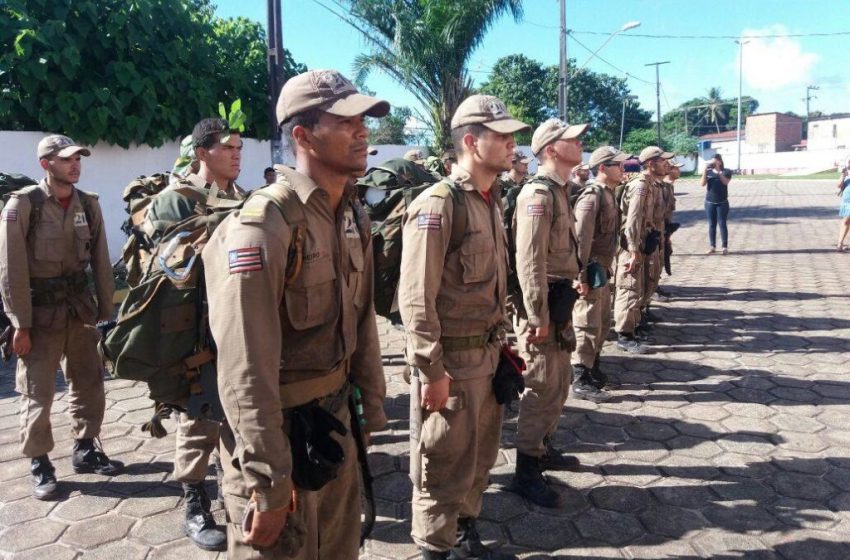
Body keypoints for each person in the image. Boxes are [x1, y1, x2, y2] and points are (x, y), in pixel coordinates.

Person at [203, 69, 388, 560]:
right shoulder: (264, 224)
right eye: (347, 121)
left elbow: (362, 318)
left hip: (334, 426)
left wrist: (370, 406)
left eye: (364, 120)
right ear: (303, 136)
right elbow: (244, 368)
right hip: (277, 442)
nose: (363, 130)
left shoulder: (350, 213)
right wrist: (267, 480)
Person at [399, 94, 526, 560]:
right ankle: (434, 548)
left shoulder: (488, 202)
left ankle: (464, 531)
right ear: (471, 142)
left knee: (480, 457)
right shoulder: (439, 204)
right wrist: (430, 370)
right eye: (503, 136)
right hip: (450, 363)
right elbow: (415, 297)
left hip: (487, 357)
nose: (513, 143)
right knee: (442, 464)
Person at [147, 118, 250, 551]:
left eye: (239, 147)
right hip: (195, 327)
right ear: (203, 152)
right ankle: (193, 498)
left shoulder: (243, 198)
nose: (236, 154)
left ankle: (236, 491)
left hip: (239, 322)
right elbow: (174, 264)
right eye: (228, 147)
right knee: (198, 414)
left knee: (240, 409)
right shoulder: (175, 200)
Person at [0, 134, 122, 501]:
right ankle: (40, 462)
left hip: (79, 310)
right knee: (38, 391)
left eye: (78, 159)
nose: (76, 164)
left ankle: (85, 448)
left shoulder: (89, 203)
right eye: (67, 159)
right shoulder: (23, 206)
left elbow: (101, 259)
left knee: (89, 381)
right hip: (38, 315)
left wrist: (106, 309)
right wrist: (19, 324)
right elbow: (11, 269)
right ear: (46, 164)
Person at [509, 118, 589, 508]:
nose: (580, 141)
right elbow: (530, 261)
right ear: (552, 149)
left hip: (559, 304)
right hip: (541, 309)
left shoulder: (561, 191)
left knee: (559, 381)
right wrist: (536, 316)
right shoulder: (537, 195)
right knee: (540, 386)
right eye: (571, 138)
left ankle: (542, 446)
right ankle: (525, 470)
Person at [572, 146, 630, 401]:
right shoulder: (592, 195)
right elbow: (581, 238)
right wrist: (581, 276)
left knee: (602, 323)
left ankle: (593, 365)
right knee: (586, 324)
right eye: (618, 165)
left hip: (602, 270)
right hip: (591, 271)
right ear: (603, 168)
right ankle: (579, 376)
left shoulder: (609, 193)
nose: (623, 169)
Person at [613, 146, 670, 354]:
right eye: (662, 160)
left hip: (645, 242)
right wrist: (634, 248)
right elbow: (633, 219)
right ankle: (624, 335)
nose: (667, 164)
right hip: (633, 244)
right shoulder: (640, 186)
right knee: (630, 287)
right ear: (650, 163)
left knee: (642, 285)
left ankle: (635, 325)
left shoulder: (651, 184)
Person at [701, 153, 732, 254]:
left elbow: (725, 182)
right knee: (711, 224)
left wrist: (718, 173)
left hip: (722, 202)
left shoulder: (726, 171)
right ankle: (712, 246)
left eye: (715, 160)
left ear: (720, 161)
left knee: (722, 223)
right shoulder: (709, 172)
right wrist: (705, 170)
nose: (713, 162)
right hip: (709, 202)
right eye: (712, 160)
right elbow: (702, 184)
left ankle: (724, 247)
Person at [837, 164, 850, 251]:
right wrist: (843, 175)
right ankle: (840, 243)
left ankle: (840, 243)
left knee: (847, 221)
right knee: (846, 222)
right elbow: (838, 185)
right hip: (847, 202)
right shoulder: (846, 175)